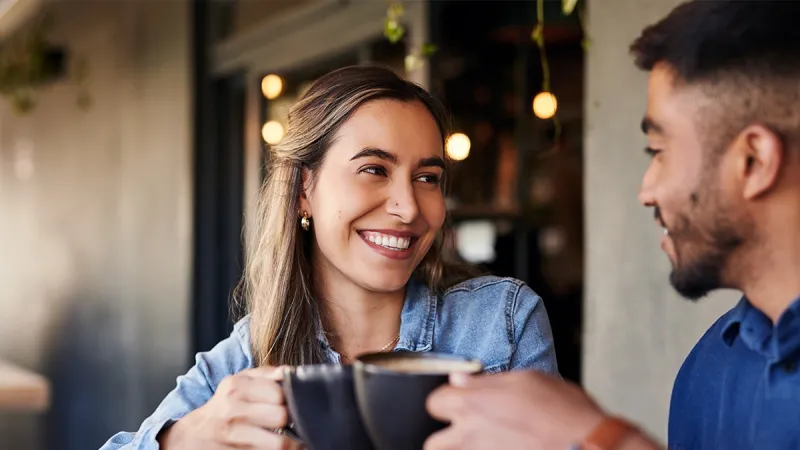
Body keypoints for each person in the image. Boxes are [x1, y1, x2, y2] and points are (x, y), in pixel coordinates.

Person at [100, 65, 558, 450]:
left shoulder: (501, 323)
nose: (409, 207)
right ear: (304, 190)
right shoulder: (249, 354)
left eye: (427, 177)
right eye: (374, 170)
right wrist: (185, 436)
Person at [424, 1, 800, 449]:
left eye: (659, 151)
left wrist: (604, 440)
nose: (647, 190)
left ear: (753, 161)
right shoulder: (714, 366)